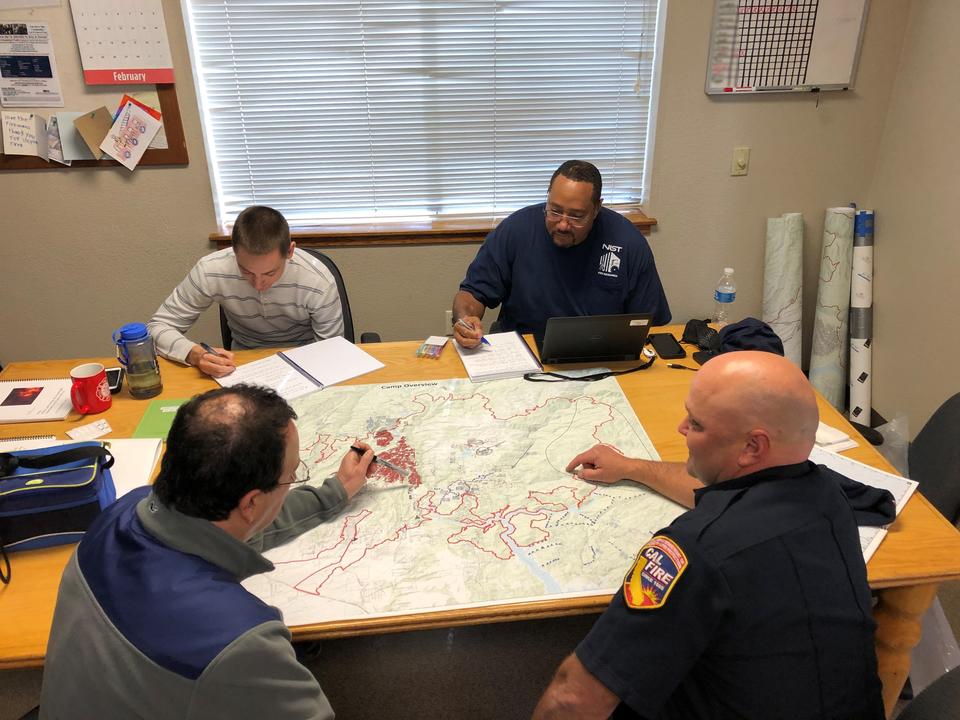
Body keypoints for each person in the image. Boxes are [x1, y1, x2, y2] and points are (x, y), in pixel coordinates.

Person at [533, 351, 885, 720]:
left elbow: (572, 698)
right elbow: (721, 488)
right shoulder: (831, 496)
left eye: (697, 424)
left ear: (752, 447)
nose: (681, 428)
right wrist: (631, 468)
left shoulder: (693, 550)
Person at [39, 385, 375, 720]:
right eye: (291, 477)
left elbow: (240, 526)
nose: (291, 484)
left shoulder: (119, 515)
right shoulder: (240, 642)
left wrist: (335, 492)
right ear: (251, 502)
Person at [452, 160, 670, 348]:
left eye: (576, 216)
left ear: (596, 209)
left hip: (601, 355)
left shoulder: (628, 243)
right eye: (555, 211)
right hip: (524, 350)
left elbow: (649, 322)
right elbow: (472, 293)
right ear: (547, 197)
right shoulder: (516, 230)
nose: (563, 224)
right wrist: (465, 320)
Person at [148, 205, 345, 378]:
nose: (258, 284)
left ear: (290, 252)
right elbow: (157, 327)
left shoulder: (318, 281)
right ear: (233, 252)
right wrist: (196, 354)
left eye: (270, 272)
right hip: (241, 364)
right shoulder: (211, 270)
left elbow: (330, 350)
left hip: (305, 361)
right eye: (246, 271)